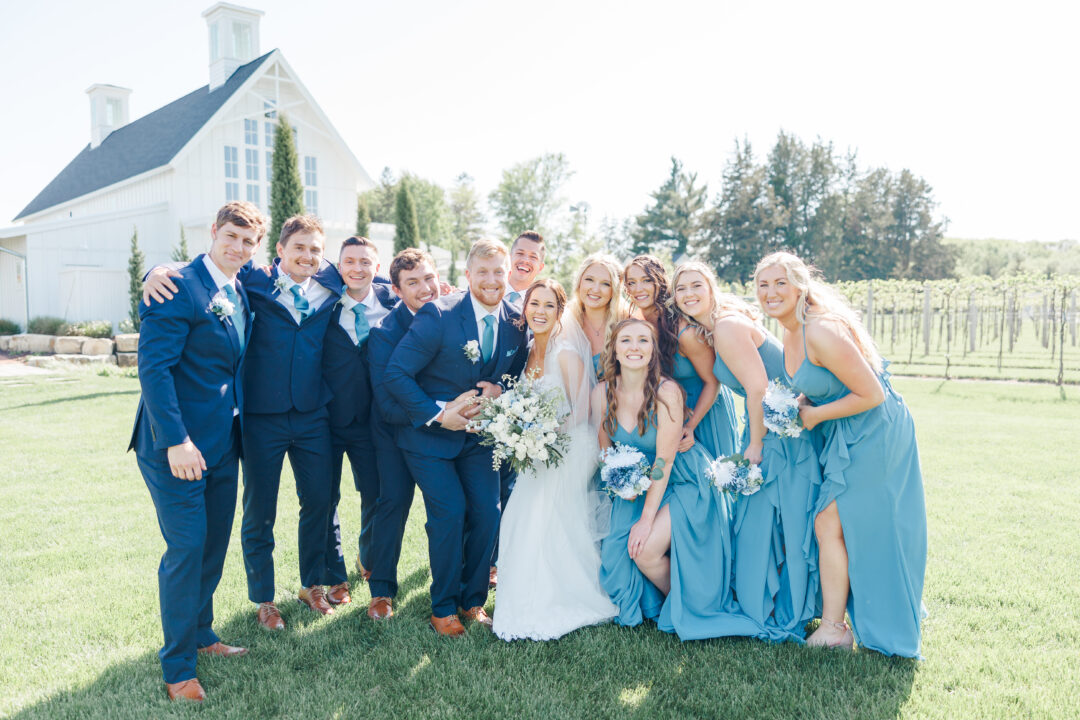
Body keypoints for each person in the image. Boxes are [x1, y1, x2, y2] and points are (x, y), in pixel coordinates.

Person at [143, 214, 344, 629]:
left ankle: (312, 584)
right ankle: (264, 599)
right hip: (260, 418)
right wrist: (155, 270)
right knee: (259, 510)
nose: (307, 256)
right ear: (279, 252)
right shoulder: (252, 281)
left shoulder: (332, 287)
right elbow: (204, 271)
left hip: (311, 416)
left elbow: (375, 284)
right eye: (299, 248)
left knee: (320, 502)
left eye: (315, 250)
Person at [755, 251, 927, 657]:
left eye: (781, 283)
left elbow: (872, 393)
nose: (771, 292)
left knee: (846, 523)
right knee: (831, 524)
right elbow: (821, 381)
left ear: (801, 286)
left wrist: (812, 416)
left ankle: (847, 626)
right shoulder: (792, 332)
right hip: (846, 430)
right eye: (763, 285)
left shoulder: (821, 330)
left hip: (874, 431)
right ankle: (838, 624)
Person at [128, 201, 264, 702]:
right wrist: (177, 441)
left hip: (224, 444)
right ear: (213, 232)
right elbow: (154, 370)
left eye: (249, 242)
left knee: (212, 546)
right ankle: (178, 668)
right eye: (231, 236)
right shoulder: (178, 285)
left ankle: (203, 634)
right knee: (187, 551)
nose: (238, 247)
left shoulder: (239, 288)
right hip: (176, 447)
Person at [383, 239, 528, 636]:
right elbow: (396, 373)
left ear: (508, 273)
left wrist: (500, 391)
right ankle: (442, 606)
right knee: (449, 513)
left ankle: (472, 601)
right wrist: (439, 414)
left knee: (487, 511)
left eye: (498, 271)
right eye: (482, 272)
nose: (491, 279)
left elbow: (515, 374)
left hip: (480, 440)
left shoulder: (518, 321)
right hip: (431, 441)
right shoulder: (439, 315)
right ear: (467, 276)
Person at [672, 261, 820, 643]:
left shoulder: (727, 327)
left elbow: (758, 389)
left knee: (771, 520)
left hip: (779, 437)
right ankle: (778, 601)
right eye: (680, 288)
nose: (688, 294)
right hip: (770, 429)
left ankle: (780, 607)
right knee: (765, 521)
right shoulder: (716, 327)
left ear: (711, 287)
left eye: (695, 285)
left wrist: (754, 445)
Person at [592, 319, 758, 639]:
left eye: (644, 341)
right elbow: (605, 447)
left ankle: (686, 603)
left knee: (645, 550)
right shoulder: (602, 392)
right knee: (616, 558)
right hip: (637, 483)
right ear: (613, 347)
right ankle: (665, 602)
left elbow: (664, 463)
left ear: (654, 350)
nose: (635, 347)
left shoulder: (667, 392)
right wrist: (618, 479)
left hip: (683, 481)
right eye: (626, 340)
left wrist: (644, 520)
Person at [492, 279, 617, 641]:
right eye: (534, 304)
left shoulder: (564, 350)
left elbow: (582, 408)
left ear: (560, 311)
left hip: (571, 443)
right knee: (522, 515)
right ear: (525, 308)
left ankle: (559, 596)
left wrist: (544, 436)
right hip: (542, 446)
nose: (540, 312)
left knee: (537, 514)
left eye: (549, 306)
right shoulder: (529, 348)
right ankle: (527, 593)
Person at [365, 249, 474, 620]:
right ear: (396, 289)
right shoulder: (383, 334)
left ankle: (456, 584)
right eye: (412, 282)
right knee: (393, 504)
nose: (425, 288)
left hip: (448, 431)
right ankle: (381, 590)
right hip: (395, 433)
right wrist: (442, 413)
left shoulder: (453, 315)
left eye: (429, 278)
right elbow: (388, 405)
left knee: (450, 508)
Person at [320, 236, 397, 606]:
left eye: (365, 262)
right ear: (338, 266)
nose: (357, 268)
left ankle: (369, 558)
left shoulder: (393, 305)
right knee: (325, 496)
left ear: (377, 268)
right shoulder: (322, 303)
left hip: (374, 421)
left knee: (377, 496)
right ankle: (334, 576)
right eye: (349, 261)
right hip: (327, 418)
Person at [624, 255, 740, 457]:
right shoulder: (635, 323)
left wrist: (691, 426)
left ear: (660, 281)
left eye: (646, 280)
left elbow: (713, 383)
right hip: (671, 411)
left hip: (704, 409)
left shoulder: (684, 332)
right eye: (631, 283)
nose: (638, 288)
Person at [491, 231, 547, 583]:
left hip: (525, 410)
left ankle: (498, 559)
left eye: (533, 256)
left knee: (511, 489)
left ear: (541, 264)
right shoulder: (489, 290)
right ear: (510, 256)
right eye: (520, 253)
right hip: (483, 402)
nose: (525, 260)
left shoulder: (543, 301)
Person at [566, 253, 627, 381]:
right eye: (589, 280)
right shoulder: (565, 319)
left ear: (614, 290)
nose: (595, 289)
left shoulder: (626, 322)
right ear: (579, 282)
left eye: (605, 284)